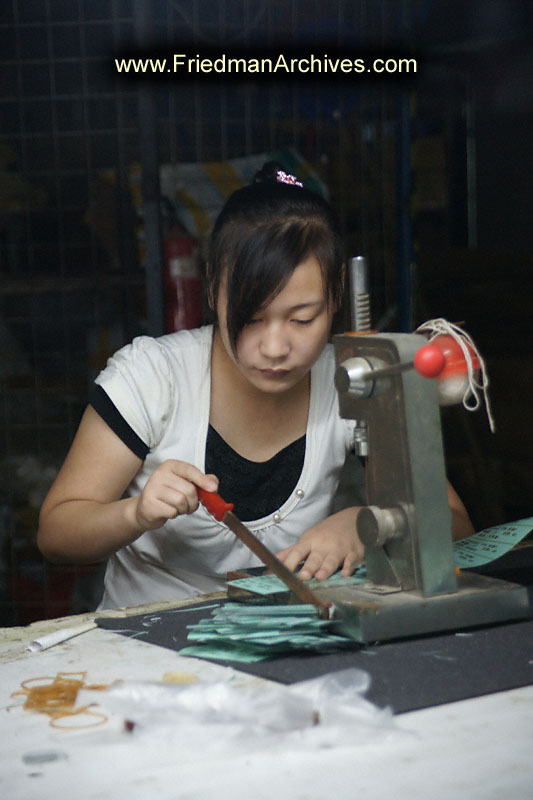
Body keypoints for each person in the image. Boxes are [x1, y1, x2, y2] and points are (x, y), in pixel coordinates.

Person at [38, 162, 474, 609]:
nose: (274, 347)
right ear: (212, 289)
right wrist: (136, 513)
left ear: (338, 295)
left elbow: (458, 524)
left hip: (287, 640)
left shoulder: (355, 378)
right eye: (251, 318)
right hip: (147, 648)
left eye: (302, 319)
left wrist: (369, 523)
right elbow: (57, 534)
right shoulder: (154, 377)